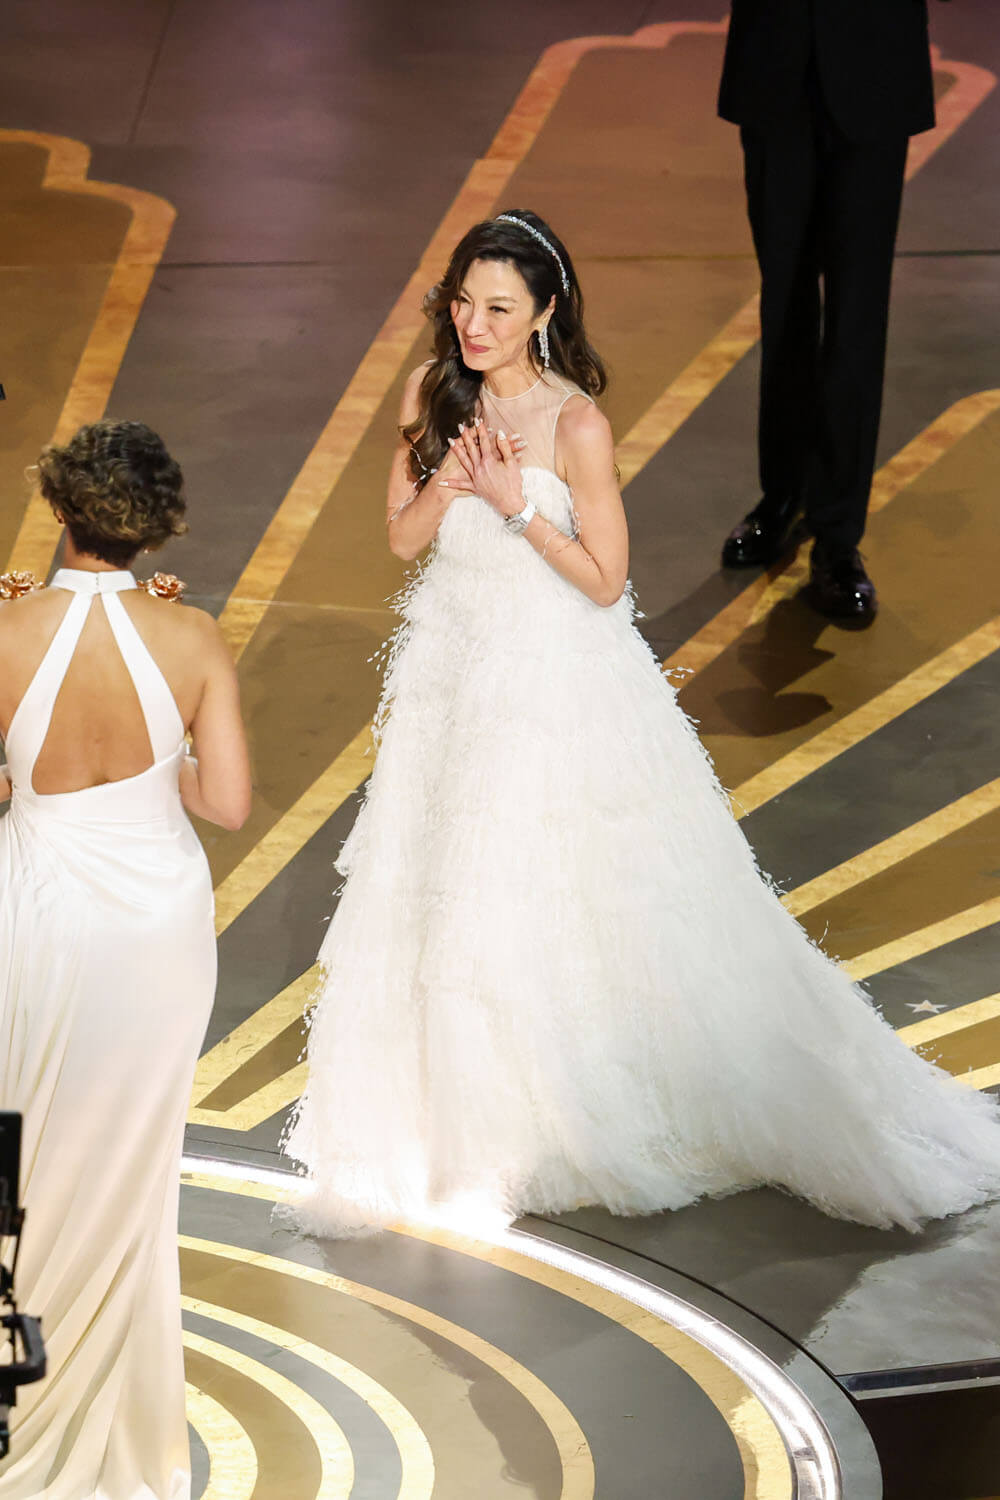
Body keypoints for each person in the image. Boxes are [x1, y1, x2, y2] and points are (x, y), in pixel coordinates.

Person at [285, 209, 1000, 1239]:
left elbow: (604, 580)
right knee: (447, 890)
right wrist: (455, 476)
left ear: (544, 314)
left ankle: (560, 1110)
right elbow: (402, 540)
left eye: (499, 309)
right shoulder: (432, 391)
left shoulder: (576, 424)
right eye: (465, 304)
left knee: (548, 888)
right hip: (450, 675)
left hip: (550, 682)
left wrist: (516, 506)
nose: (475, 325)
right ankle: (471, 1117)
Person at [0, 420, 251, 1499]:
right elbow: (226, 803)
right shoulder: (191, 636)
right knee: (131, 1172)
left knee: (27, 1149)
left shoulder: (6, 627)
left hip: (38, 914)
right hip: (157, 933)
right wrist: (164, 758)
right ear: (152, 528)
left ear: (61, 510)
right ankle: (110, 1419)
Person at [718, 0, 950, 624]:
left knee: (857, 315)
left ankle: (838, 537)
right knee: (785, 303)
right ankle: (782, 493)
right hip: (775, 59)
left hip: (876, 59)